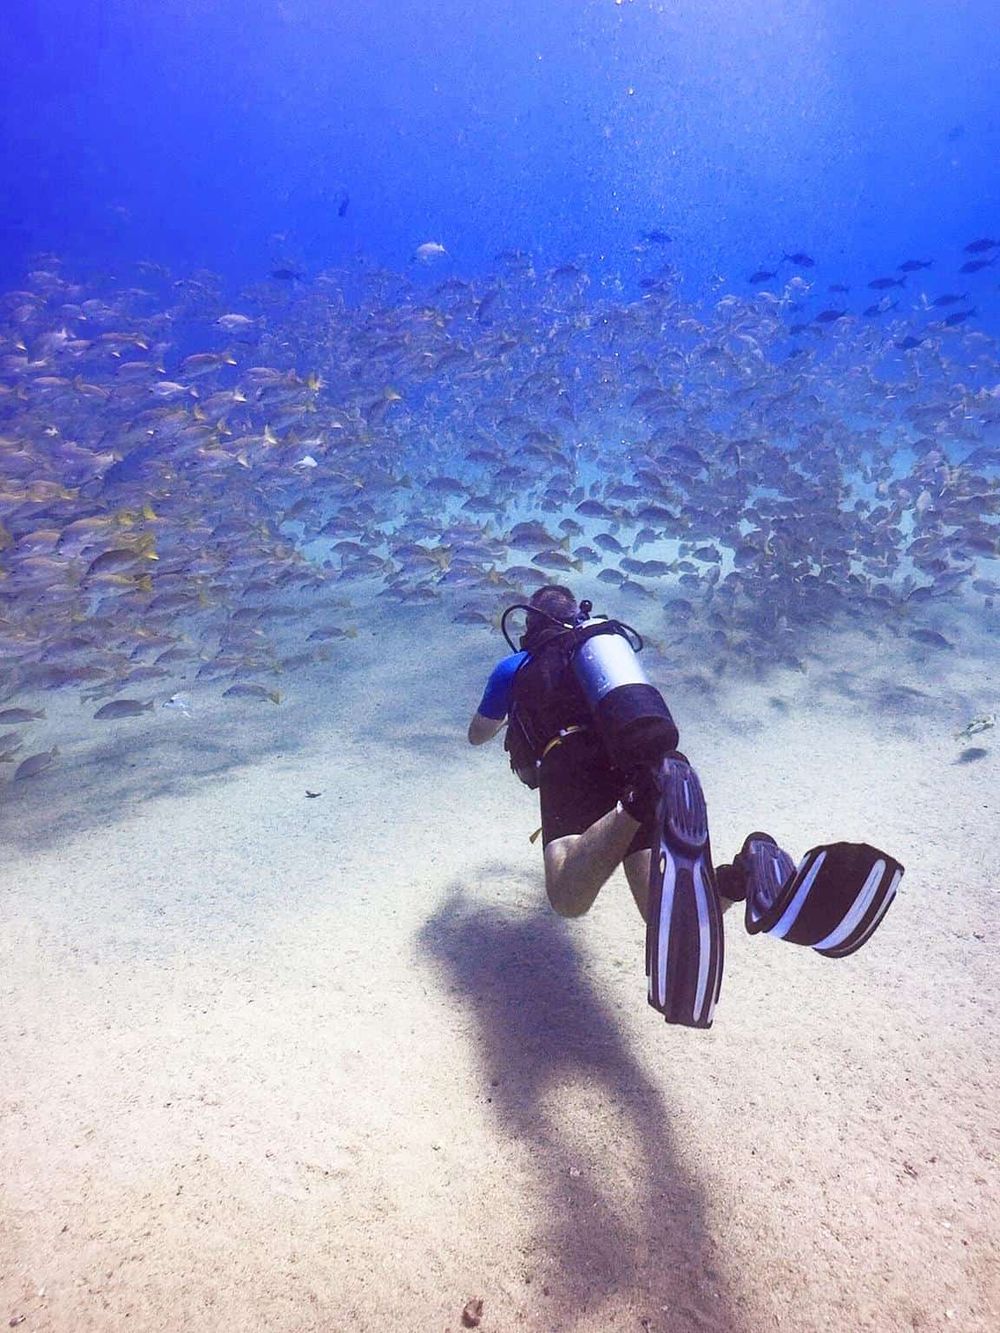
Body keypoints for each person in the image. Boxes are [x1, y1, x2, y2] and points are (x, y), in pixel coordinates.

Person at [468, 584, 904, 1029]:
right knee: (664, 913)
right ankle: (740, 877)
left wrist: (508, 705)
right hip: (634, 759)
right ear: (575, 614)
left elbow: (477, 734)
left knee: (567, 896)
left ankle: (639, 801)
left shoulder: (516, 666)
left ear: (530, 622)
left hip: (569, 759)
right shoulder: (603, 650)